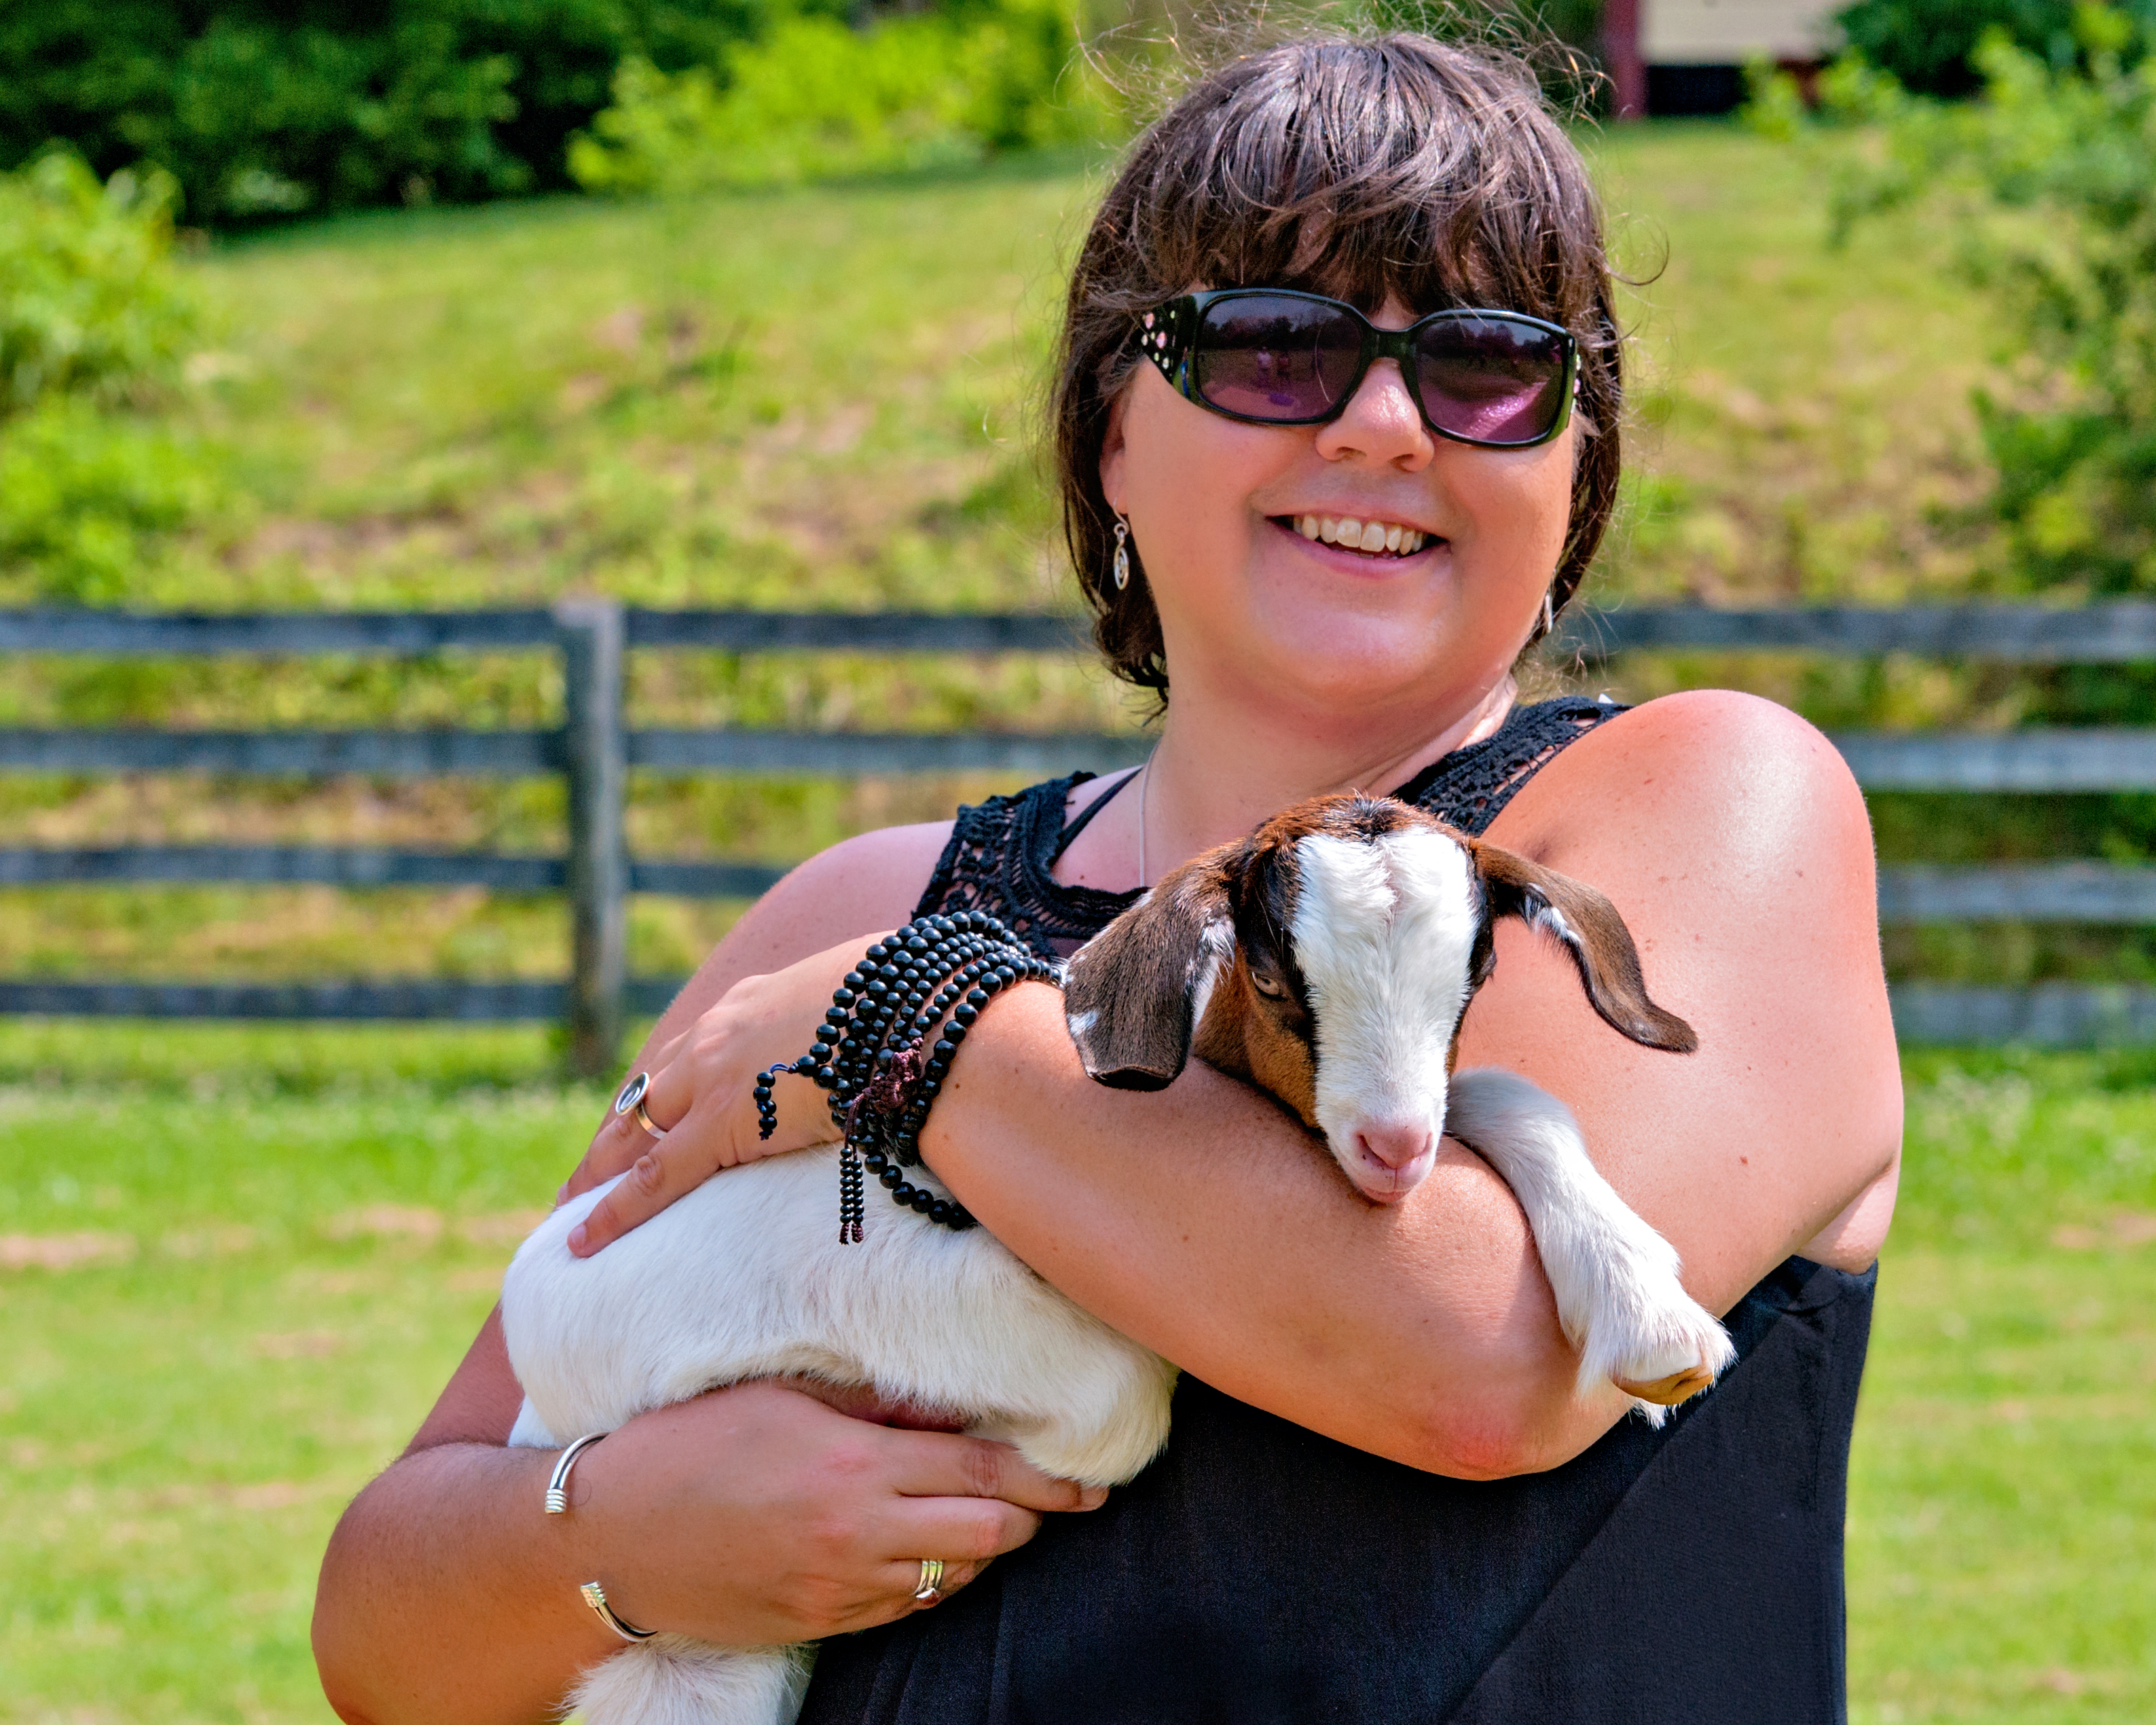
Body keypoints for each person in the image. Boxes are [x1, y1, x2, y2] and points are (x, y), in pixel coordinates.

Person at [314, 32, 1902, 1725]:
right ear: (1109, 440)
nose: (1383, 423)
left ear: (1573, 463)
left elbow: (1486, 1360)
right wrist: (614, 1536)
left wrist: (911, 1029)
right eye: (1275, 347)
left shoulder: (1710, 807)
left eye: (1489, 367)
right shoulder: (858, 903)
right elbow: (384, 1627)